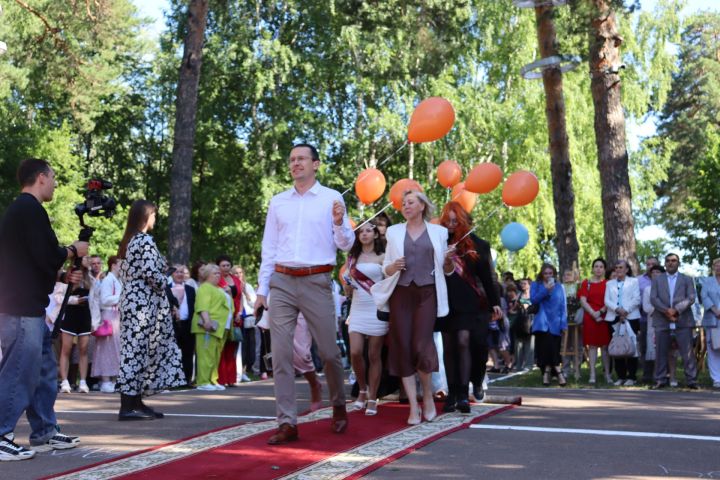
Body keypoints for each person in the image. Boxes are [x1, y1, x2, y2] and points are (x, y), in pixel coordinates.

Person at [254, 143, 355, 445]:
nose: (295, 163)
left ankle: (338, 404)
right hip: (282, 282)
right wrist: (261, 290)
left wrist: (339, 223)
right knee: (282, 355)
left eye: (301, 159)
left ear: (316, 164)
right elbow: (268, 249)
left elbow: (347, 244)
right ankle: (287, 423)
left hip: (317, 279)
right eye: (292, 159)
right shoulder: (278, 201)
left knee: (329, 353)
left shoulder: (332, 198)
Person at [0, 158, 87, 460]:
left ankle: (44, 432)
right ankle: (1, 435)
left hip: (28, 305)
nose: (54, 182)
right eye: (52, 176)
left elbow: (31, 261)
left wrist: (63, 275)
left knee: (44, 370)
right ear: (40, 177)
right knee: (18, 372)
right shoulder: (29, 210)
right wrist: (73, 251)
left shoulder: (24, 211)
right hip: (20, 307)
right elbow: (47, 254)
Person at [379, 190, 453, 425]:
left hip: (427, 292)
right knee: (402, 347)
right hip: (400, 293)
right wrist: (393, 267)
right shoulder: (393, 232)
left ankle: (428, 398)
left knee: (421, 346)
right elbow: (385, 268)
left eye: (410, 202)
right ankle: (413, 406)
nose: (406, 206)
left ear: (422, 206)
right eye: (403, 203)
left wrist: (449, 262)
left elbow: (447, 270)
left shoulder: (439, 232)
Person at [116, 200, 185, 421]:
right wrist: (165, 277)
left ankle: (135, 402)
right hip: (142, 303)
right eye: (154, 215)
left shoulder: (130, 240)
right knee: (135, 352)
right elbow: (152, 275)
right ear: (146, 216)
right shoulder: (144, 240)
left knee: (137, 351)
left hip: (134, 300)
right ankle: (128, 406)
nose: (155, 219)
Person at [439, 202, 500, 413]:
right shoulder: (438, 242)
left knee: (464, 341)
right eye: (447, 221)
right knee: (448, 347)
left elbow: (487, 278)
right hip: (445, 302)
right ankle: (452, 393)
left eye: (455, 221)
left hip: (469, 302)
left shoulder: (478, 245)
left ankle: (464, 394)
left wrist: (495, 303)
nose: (451, 225)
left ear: (463, 221)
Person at [344, 221, 387, 416]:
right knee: (355, 352)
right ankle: (362, 389)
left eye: (368, 230)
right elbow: (348, 289)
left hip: (377, 309)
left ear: (376, 235)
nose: (364, 234)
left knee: (374, 355)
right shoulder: (352, 257)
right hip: (358, 308)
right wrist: (346, 287)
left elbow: (389, 283)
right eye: (360, 231)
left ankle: (372, 397)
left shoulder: (383, 257)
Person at [649, 253, 698, 389]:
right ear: (665, 263)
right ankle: (660, 379)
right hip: (662, 319)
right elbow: (653, 298)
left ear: (678, 263)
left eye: (674, 260)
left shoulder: (687, 279)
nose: (671, 263)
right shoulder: (657, 280)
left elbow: (691, 297)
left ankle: (692, 380)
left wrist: (676, 309)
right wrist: (666, 310)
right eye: (668, 261)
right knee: (660, 351)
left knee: (687, 352)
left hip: (682, 319)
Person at [192, 263, 232, 391]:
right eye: (215, 273)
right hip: (207, 327)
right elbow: (202, 306)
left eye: (219, 273)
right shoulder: (205, 287)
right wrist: (207, 321)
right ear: (207, 275)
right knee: (205, 355)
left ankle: (212, 380)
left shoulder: (217, 289)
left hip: (218, 328)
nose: (218, 275)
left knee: (214, 356)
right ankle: (203, 382)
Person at [58, 258, 95, 394]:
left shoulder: (90, 277)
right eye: (86, 258)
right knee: (66, 349)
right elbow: (59, 297)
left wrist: (95, 321)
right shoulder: (68, 275)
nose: (88, 260)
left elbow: (95, 299)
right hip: (70, 315)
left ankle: (83, 382)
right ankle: (65, 381)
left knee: (83, 349)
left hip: (85, 316)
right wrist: (74, 300)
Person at [604, 259, 642, 386]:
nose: (618, 270)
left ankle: (632, 376)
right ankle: (620, 376)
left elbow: (637, 298)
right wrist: (617, 309)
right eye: (616, 267)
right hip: (613, 317)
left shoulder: (634, 281)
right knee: (617, 347)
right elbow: (607, 300)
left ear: (626, 269)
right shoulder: (609, 284)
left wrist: (626, 310)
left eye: (621, 267)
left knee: (631, 346)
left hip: (631, 317)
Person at [530, 263, 567, 386]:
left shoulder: (560, 287)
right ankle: (558, 371)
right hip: (542, 322)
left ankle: (547, 372)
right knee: (547, 347)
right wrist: (546, 290)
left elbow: (563, 306)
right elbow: (534, 299)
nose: (548, 276)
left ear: (554, 274)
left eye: (550, 273)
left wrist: (563, 324)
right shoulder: (536, 285)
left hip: (556, 322)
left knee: (553, 349)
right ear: (542, 274)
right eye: (545, 273)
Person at [92, 256, 123, 393]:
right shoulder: (108, 280)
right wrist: (122, 297)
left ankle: (115, 379)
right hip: (109, 316)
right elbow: (104, 300)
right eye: (121, 264)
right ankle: (105, 380)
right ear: (114, 265)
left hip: (117, 316)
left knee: (117, 349)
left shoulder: (118, 280)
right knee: (106, 348)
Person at [578, 258, 611, 384]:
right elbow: (583, 300)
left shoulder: (608, 283)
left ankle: (607, 374)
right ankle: (592, 374)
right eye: (596, 266)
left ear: (604, 269)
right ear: (592, 268)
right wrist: (593, 313)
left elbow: (610, 300)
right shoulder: (586, 283)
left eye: (601, 266)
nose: (598, 269)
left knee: (605, 347)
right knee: (591, 346)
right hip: (590, 317)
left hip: (604, 316)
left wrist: (601, 312)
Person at [216, 255, 242, 387]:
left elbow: (240, 297)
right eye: (223, 265)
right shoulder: (216, 279)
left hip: (236, 316)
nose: (226, 268)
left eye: (228, 265)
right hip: (222, 316)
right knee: (221, 348)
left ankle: (231, 379)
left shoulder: (236, 279)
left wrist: (239, 313)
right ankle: (221, 379)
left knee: (232, 348)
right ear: (218, 267)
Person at [168, 264, 196, 386]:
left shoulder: (190, 289)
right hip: (172, 325)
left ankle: (187, 380)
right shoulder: (166, 288)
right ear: (172, 274)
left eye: (181, 272)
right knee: (172, 353)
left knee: (188, 354)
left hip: (187, 325)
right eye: (176, 272)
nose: (179, 274)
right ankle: (172, 380)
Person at [637, 256, 659, 383]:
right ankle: (646, 375)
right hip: (644, 319)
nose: (650, 266)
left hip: (663, 319)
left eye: (653, 264)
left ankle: (661, 374)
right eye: (648, 264)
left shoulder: (663, 278)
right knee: (645, 347)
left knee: (661, 346)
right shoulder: (639, 280)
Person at [700, 258, 720, 389]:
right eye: (716, 265)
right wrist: (715, 310)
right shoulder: (707, 281)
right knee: (714, 348)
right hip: (713, 318)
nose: (718, 267)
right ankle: (716, 379)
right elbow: (704, 296)